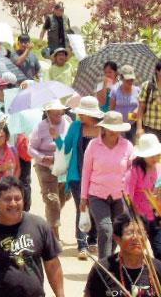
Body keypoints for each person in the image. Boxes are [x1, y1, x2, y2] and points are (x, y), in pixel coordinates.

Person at [0, 176, 65, 297]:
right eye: (7, 199)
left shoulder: (39, 226)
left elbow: (52, 265)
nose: (13, 203)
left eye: (17, 199)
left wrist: (60, 295)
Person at [53, 96, 102, 260]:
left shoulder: (103, 129)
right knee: (82, 207)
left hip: (99, 177)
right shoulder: (75, 126)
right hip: (77, 175)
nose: (79, 115)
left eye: (83, 113)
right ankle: (82, 244)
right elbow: (65, 148)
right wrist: (56, 138)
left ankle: (93, 239)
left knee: (95, 207)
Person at [81, 111, 134, 259]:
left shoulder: (127, 146)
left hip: (120, 196)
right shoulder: (93, 145)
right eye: (110, 128)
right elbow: (86, 172)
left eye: (116, 129)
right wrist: (83, 197)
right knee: (105, 229)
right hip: (97, 195)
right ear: (103, 128)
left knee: (117, 232)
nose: (113, 132)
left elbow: (132, 171)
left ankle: (108, 259)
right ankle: (105, 266)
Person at [84, 213, 161, 297]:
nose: (136, 237)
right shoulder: (102, 269)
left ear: (146, 236)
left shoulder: (156, 267)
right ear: (116, 238)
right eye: (129, 233)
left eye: (140, 232)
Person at [29, 100, 72, 241]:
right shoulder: (40, 127)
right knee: (52, 199)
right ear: (48, 113)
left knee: (62, 197)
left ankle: (50, 222)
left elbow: (70, 144)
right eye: (55, 113)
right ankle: (54, 233)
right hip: (45, 167)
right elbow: (31, 148)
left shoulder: (67, 123)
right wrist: (42, 157)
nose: (59, 115)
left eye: (60, 112)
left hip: (63, 165)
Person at [125, 134, 161, 259]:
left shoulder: (159, 168)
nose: (155, 158)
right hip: (139, 217)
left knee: (159, 249)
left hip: (156, 216)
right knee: (138, 251)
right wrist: (133, 218)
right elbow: (127, 195)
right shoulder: (133, 171)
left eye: (157, 155)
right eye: (152, 156)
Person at [110, 65, 140, 142]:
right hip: (118, 125)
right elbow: (111, 109)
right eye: (127, 80)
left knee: (131, 145)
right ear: (122, 78)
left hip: (132, 125)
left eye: (131, 80)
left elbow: (141, 106)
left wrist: (137, 110)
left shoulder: (138, 90)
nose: (130, 82)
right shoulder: (115, 91)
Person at [137, 61, 161, 142]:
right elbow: (140, 110)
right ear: (157, 71)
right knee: (149, 154)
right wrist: (139, 128)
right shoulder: (147, 86)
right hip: (150, 129)